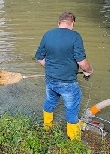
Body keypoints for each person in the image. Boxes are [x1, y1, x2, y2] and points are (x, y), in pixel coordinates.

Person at [34, 11, 93, 140]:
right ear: (73, 23)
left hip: (50, 79)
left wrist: (52, 68)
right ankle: (74, 140)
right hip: (68, 83)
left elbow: (39, 57)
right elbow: (81, 62)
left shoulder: (48, 34)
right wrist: (89, 71)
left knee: (50, 101)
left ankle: (47, 127)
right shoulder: (75, 36)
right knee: (72, 109)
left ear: (59, 22)